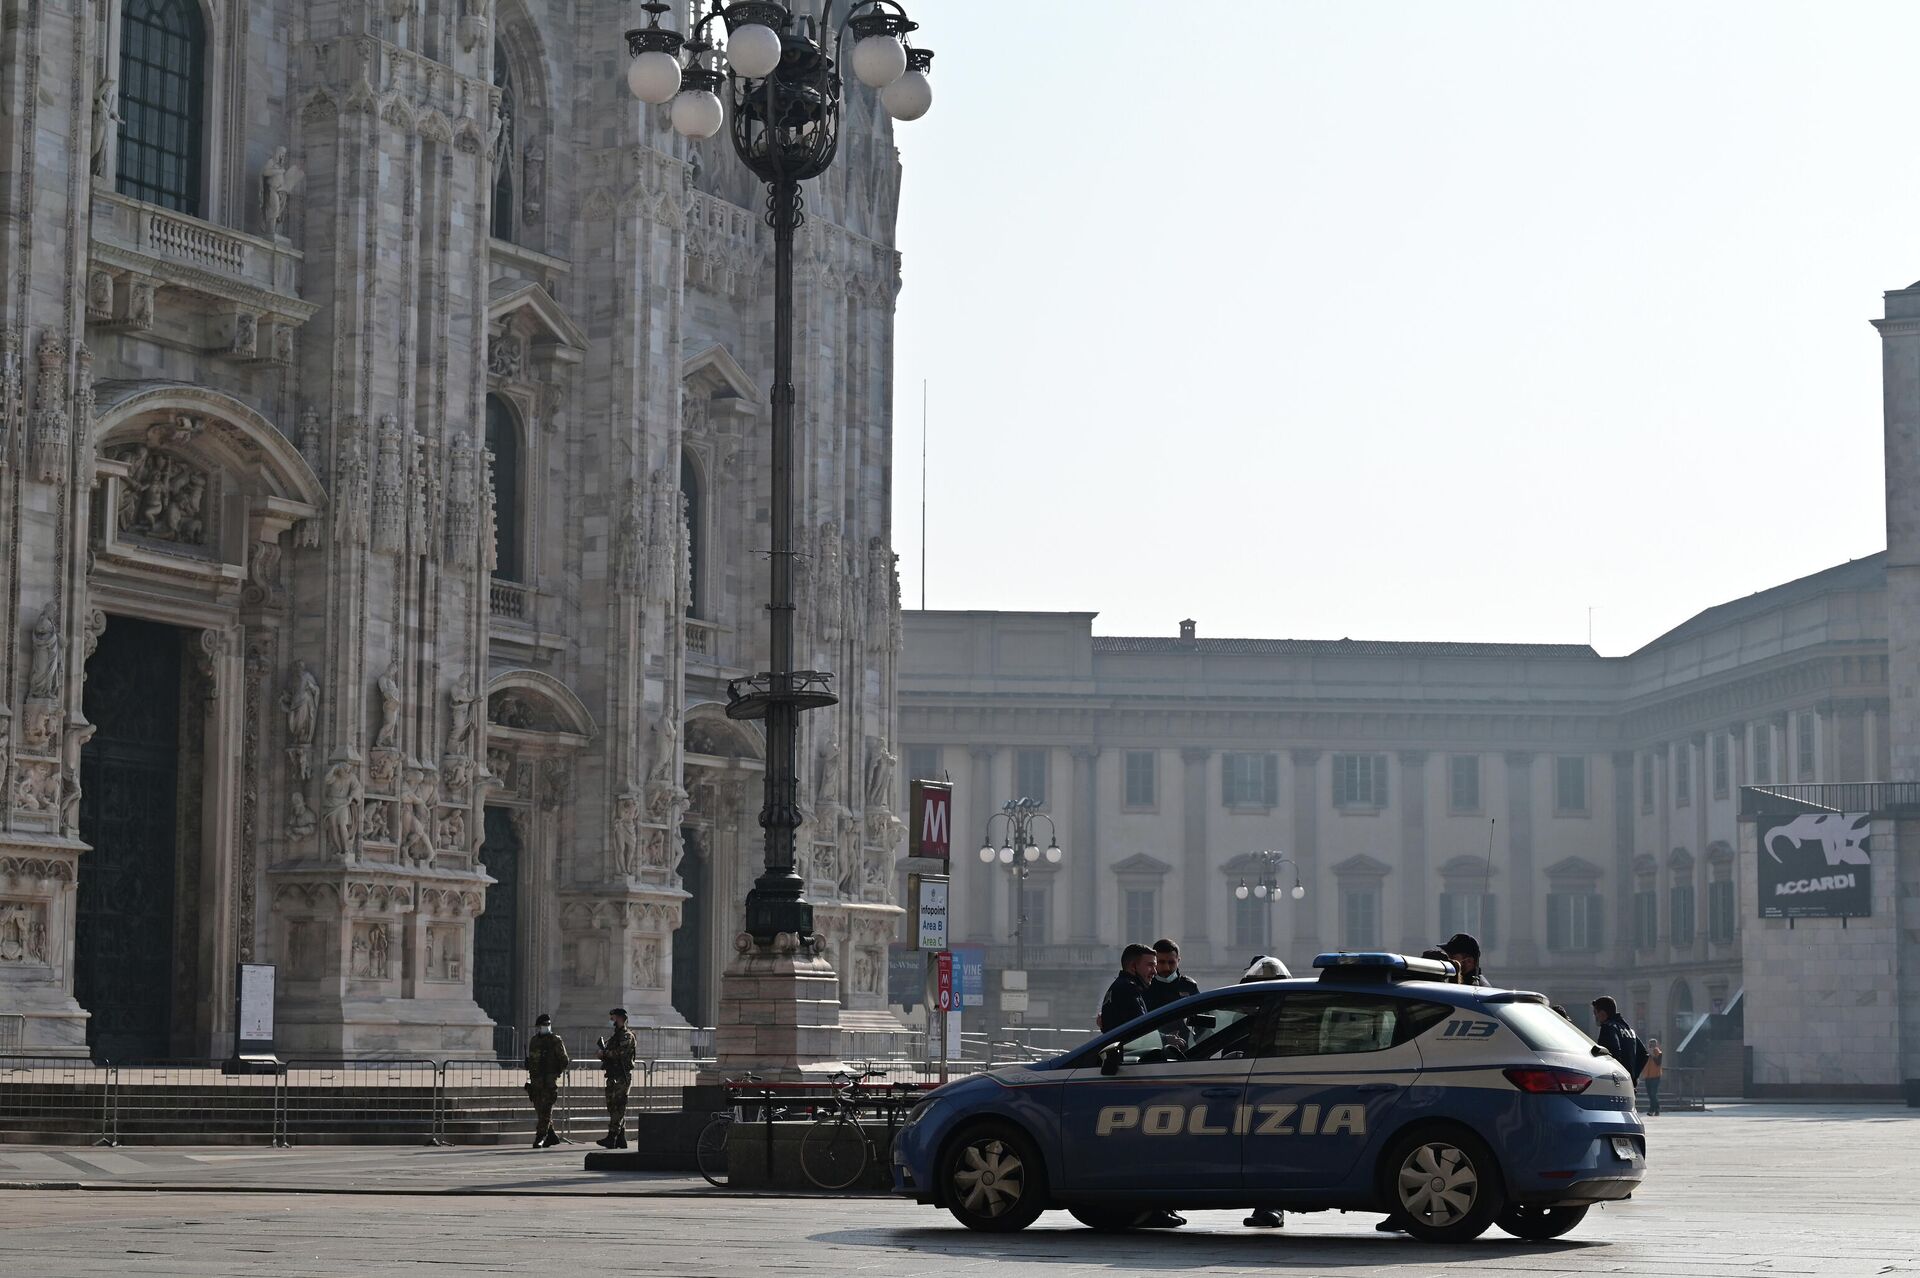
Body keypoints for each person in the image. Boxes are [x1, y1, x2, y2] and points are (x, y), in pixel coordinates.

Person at [1239, 955, 1290, 1230]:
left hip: (1272, 1092)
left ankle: (1270, 1205)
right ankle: (1267, 1204)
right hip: (1258, 1092)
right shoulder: (1256, 1012)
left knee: (1268, 1149)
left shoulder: (1280, 1009)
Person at [524, 1013, 570, 1148]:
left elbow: (564, 1060)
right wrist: (529, 1064)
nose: (546, 1027)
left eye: (547, 1025)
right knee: (539, 1109)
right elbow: (533, 1060)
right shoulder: (534, 1041)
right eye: (543, 1025)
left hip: (549, 1082)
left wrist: (555, 1073)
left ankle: (540, 1136)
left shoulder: (555, 1040)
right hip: (536, 1082)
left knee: (546, 1110)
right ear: (538, 1027)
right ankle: (551, 1135)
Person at [594, 1007, 637, 1149]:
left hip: (621, 1076)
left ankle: (612, 1137)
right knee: (613, 1106)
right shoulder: (616, 1036)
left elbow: (620, 1053)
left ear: (619, 1018)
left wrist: (605, 1053)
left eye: (613, 1017)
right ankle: (621, 1138)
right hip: (613, 1075)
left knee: (618, 1106)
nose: (611, 1020)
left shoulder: (626, 1036)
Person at [1096, 943, 1155, 1035]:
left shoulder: (1121, 986)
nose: (1154, 971)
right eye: (1150, 965)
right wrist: (1165, 1039)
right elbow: (1141, 1028)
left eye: (1154, 966)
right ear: (1133, 966)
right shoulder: (1128, 990)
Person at [1591, 996, 1650, 1085]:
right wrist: (1633, 1076)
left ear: (1603, 1013)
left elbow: (1612, 1052)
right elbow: (1644, 1054)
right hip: (1629, 1084)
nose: (1595, 1017)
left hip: (1615, 1083)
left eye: (1595, 1013)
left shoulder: (1608, 1027)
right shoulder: (1628, 1029)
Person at [1145, 939, 1200, 1012]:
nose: (1166, 967)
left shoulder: (1189, 985)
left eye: (1171, 962)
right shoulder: (1145, 986)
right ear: (1154, 961)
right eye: (1161, 962)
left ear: (1178, 961)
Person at [1642, 1037, 1665, 1116]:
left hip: (1655, 1075)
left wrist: (1652, 1054)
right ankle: (1656, 1109)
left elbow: (1658, 1063)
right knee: (1649, 1094)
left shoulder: (1658, 1052)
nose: (1651, 1046)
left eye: (1653, 1044)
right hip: (1647, 1075)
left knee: (1653, 1093)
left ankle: (1653, 1109)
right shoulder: (1646, 1053)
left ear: (1656, 1044)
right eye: (1650, 1044)